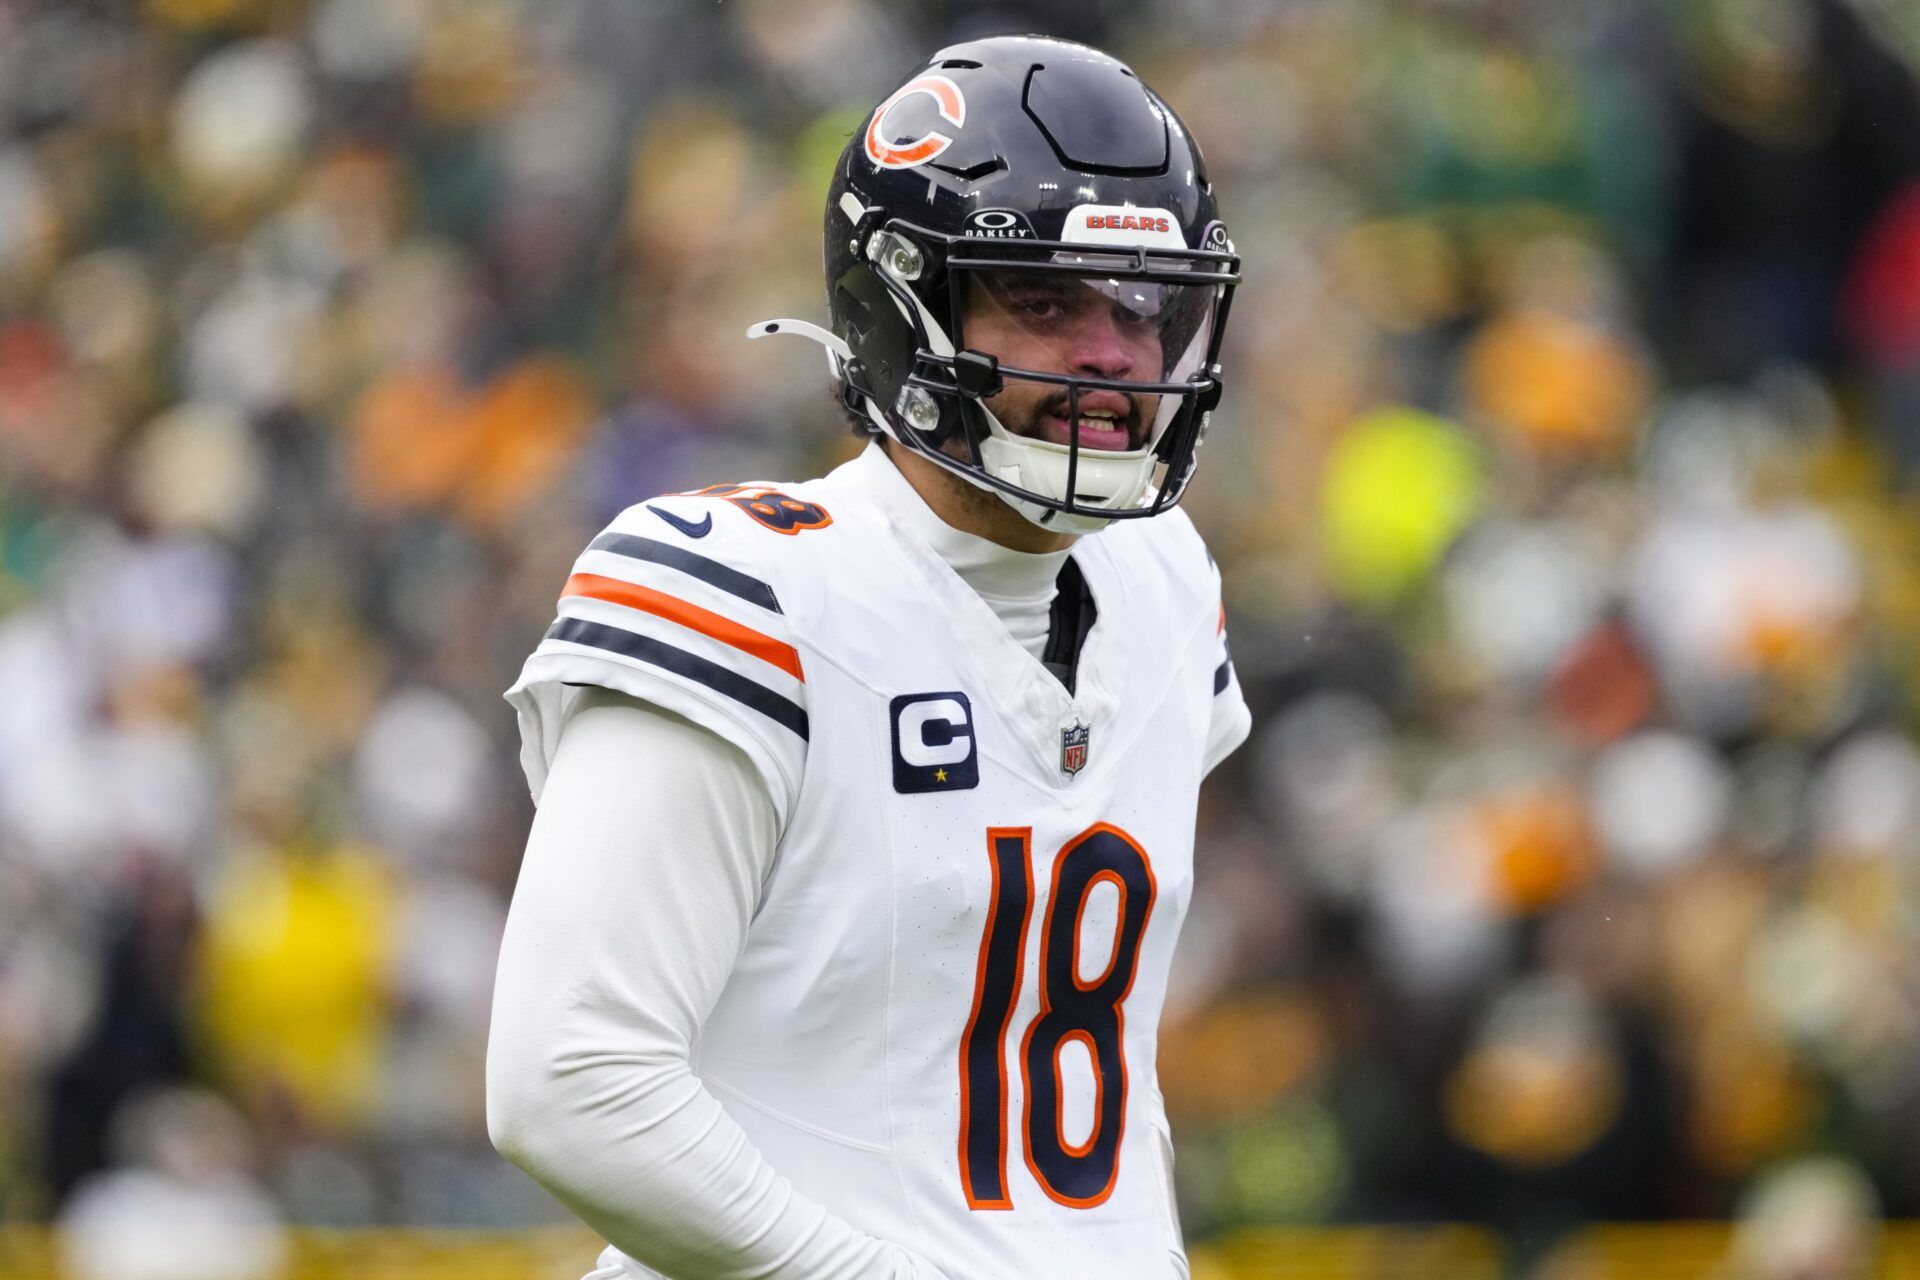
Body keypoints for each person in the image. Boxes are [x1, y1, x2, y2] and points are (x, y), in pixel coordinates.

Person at [487, 34, 1249, 1280]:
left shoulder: (1164, 583)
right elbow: (569, 1077)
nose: (1116, 353)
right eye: (1046, 300)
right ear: (905, 306)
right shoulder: (748, 583)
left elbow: (1096, 1073)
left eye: (1145, 301)